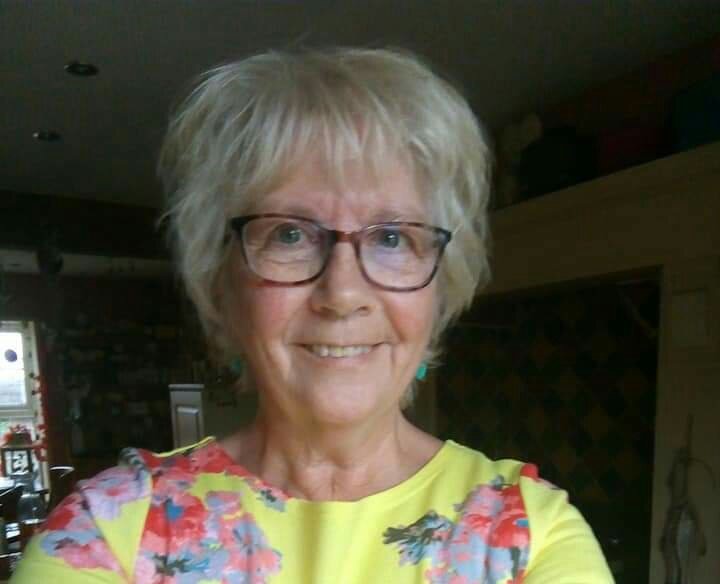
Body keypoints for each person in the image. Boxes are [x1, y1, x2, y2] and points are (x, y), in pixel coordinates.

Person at [12, 48, 613, 583]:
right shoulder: (111, 532)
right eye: (290, 234)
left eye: (392, 238)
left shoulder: (529, 536)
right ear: (221, 279)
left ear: (440, 285)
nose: (342, 292)